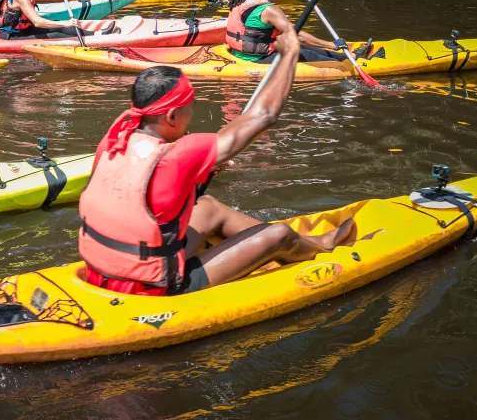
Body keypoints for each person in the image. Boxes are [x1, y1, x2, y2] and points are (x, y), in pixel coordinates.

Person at [77, 37, 357, 296]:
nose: (192, 114)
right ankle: (323, 246)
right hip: (153, 287)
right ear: (173, 115)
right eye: (191, 107)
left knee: (208, 205)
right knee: (279, 235)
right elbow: (264, 115)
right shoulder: (180, 154)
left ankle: (310, 242)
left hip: (102, 270)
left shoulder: (114, 140)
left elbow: (142, 196)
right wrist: (290, 53)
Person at [226, 0, 375, 64]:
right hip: (257, 59)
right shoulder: (270, 10)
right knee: (308, 53)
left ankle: (349, 57)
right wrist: (333, 45)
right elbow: (297, 34)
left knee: (305, 48)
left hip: (239, 54)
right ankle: (347, 63)